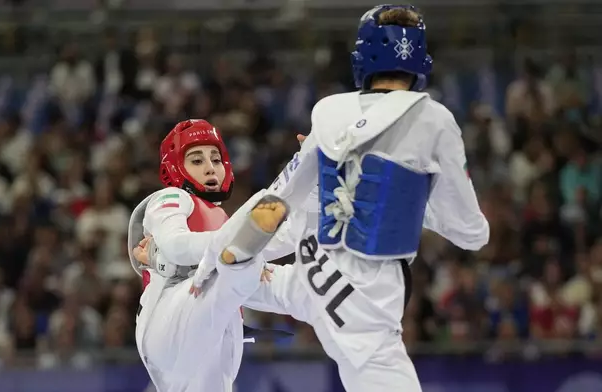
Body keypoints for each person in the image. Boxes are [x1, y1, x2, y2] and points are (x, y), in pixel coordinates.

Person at [193, 5, 490, 392]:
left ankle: (185, 266)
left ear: (361, 58)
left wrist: (215, 260)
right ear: (420, 59)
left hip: (311, 269)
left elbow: (275, 203)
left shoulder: (329, 114)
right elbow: (471, 233)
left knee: (235, 278)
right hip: (365, 302)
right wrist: (414, 199)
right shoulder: (434, 120)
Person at [128, 119, 294, 392]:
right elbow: (176, 245)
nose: (210, 167)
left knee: (261, 270)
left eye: (215, 159)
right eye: (196, 160)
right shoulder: (170, 197)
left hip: (215, 336)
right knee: (243, 265)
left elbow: (282, 239)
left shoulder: (223, 222)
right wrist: (237, 251)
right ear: (176, 168)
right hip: (170, 320)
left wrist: (314, 190)